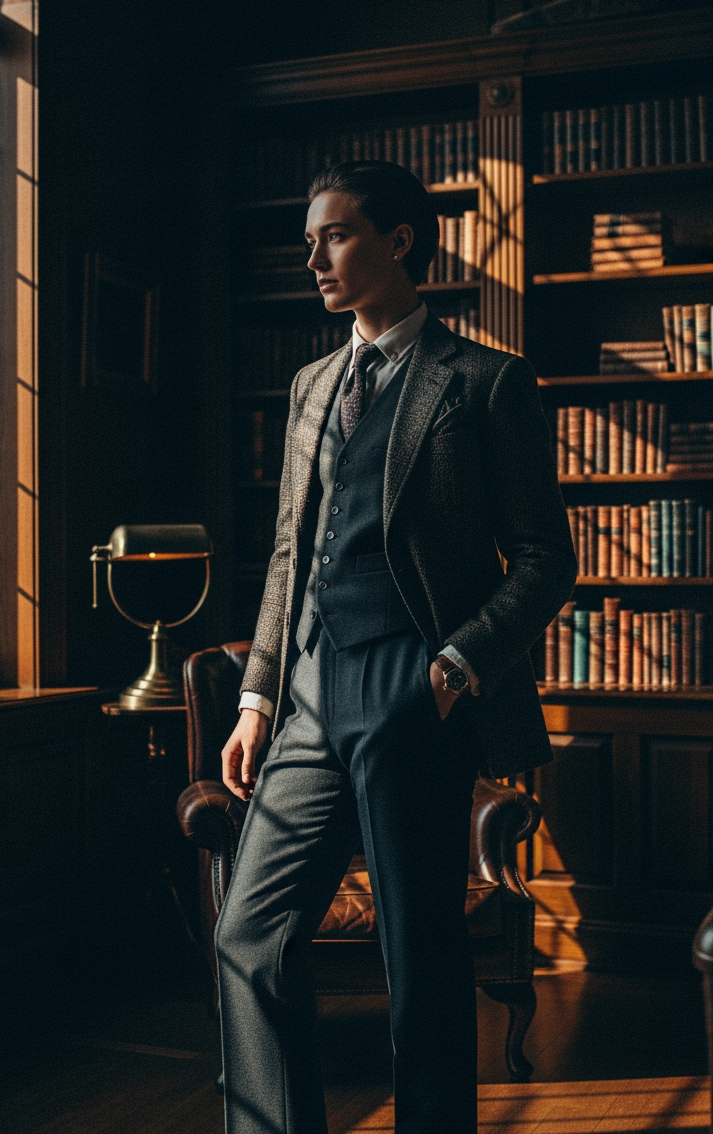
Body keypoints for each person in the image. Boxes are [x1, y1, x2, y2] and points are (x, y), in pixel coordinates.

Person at [215, 160, 576, 1134]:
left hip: (414, 692)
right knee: (248, 935)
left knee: (419, 961)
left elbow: (546, 557)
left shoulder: (484, 382)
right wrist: (255, 697)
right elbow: (290, 547)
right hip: (301, 697)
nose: (313, 257)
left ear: (399, 240)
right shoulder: (307, 385)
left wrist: (457, 664)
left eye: (333, 234)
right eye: (308, 240)